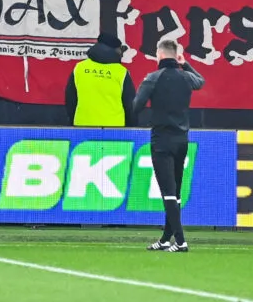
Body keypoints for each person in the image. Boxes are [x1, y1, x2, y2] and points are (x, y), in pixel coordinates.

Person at [132, 39, 205, 252]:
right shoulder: (185, 76)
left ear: (160, 55)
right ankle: (166, 239)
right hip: (182, 140)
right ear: (176, 56)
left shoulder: (153, 78)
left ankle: (181, 241)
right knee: (176, 192)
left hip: (161, 140)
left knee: (168, 192)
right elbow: (200, 81)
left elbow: (136, 106)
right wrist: (186, 64)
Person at [65, 33, 135, 127]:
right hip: (114, 129)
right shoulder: (121, 72)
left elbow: (70, 100)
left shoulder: (79, 68)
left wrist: (72, 122)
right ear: (116, 50)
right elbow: (130, 105)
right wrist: (132, 127)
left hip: (82, 125)